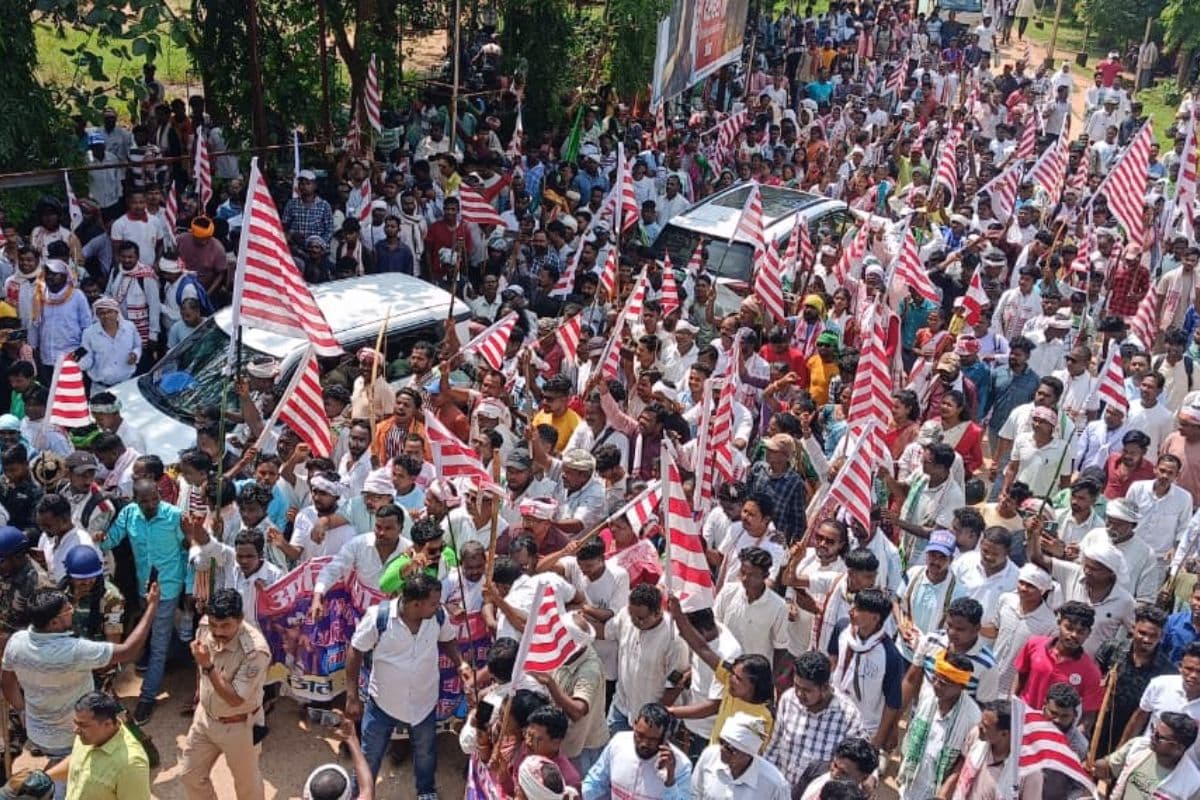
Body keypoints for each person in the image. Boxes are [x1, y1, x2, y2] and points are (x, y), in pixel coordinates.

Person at [0, 583, 159, 774]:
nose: (72, 611)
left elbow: (7, 683)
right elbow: (128, 650)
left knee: (61, 765)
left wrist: (22, 712)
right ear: (54, 623)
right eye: (67, 610)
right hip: (75, 736)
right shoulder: (74, 651)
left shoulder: (16, 642)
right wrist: (151, 607)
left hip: (38, 734)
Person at [344, 572, 467, 799]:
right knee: (370, 754)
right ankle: (358, 793)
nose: (438, 606)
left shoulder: (437, 616)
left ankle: (426, 791)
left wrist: (461, 664)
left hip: (424, 703)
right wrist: (352, 696)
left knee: (426, 752)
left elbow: (448, 639)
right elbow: (355, 651)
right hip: (382, 703)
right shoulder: (378, 618)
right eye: (433, 603)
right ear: (416, 604)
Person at [97, 478, 186, 724]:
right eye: (144, 501)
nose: (150, 505)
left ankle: (147, 697)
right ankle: (182, 654)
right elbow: (110, 540)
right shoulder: (129, 514)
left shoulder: (174, 516)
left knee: (156, 643)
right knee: (160, 633)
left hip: (167, 588)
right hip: (142, 587)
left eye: (154, 499)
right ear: (135, 500)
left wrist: (188, 587)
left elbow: (187, 549)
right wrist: (98, 536)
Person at [45, 691, 151, 800]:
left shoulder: (131, 765)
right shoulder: (88, 736)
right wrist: (46, 776)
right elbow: (78, 761)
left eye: (82, 725)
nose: (76, 730)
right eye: (75, 723)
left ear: (108, 724)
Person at [581, 703, 691, 800]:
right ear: (634, 724)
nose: (644, 744)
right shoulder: (618, 743)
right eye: (640, 735)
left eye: (653, 739)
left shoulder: (681, 766)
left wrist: (670, 782)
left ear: (665, 736)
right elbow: (595, 782)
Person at [1094, 712, 1200, 800]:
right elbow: (1108, 768)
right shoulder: (1138, 746)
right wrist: (1098, 765)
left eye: (1159, 736)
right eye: (1153, 729)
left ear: (1179, 747)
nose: (1152, 736)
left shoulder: (1193, 784)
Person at [690, 712, 790, 800]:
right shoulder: (710, 756)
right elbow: (695, 793)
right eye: (722, 742)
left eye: (731, 749)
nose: (722, 749)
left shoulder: (775, 784)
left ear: (748, 754)